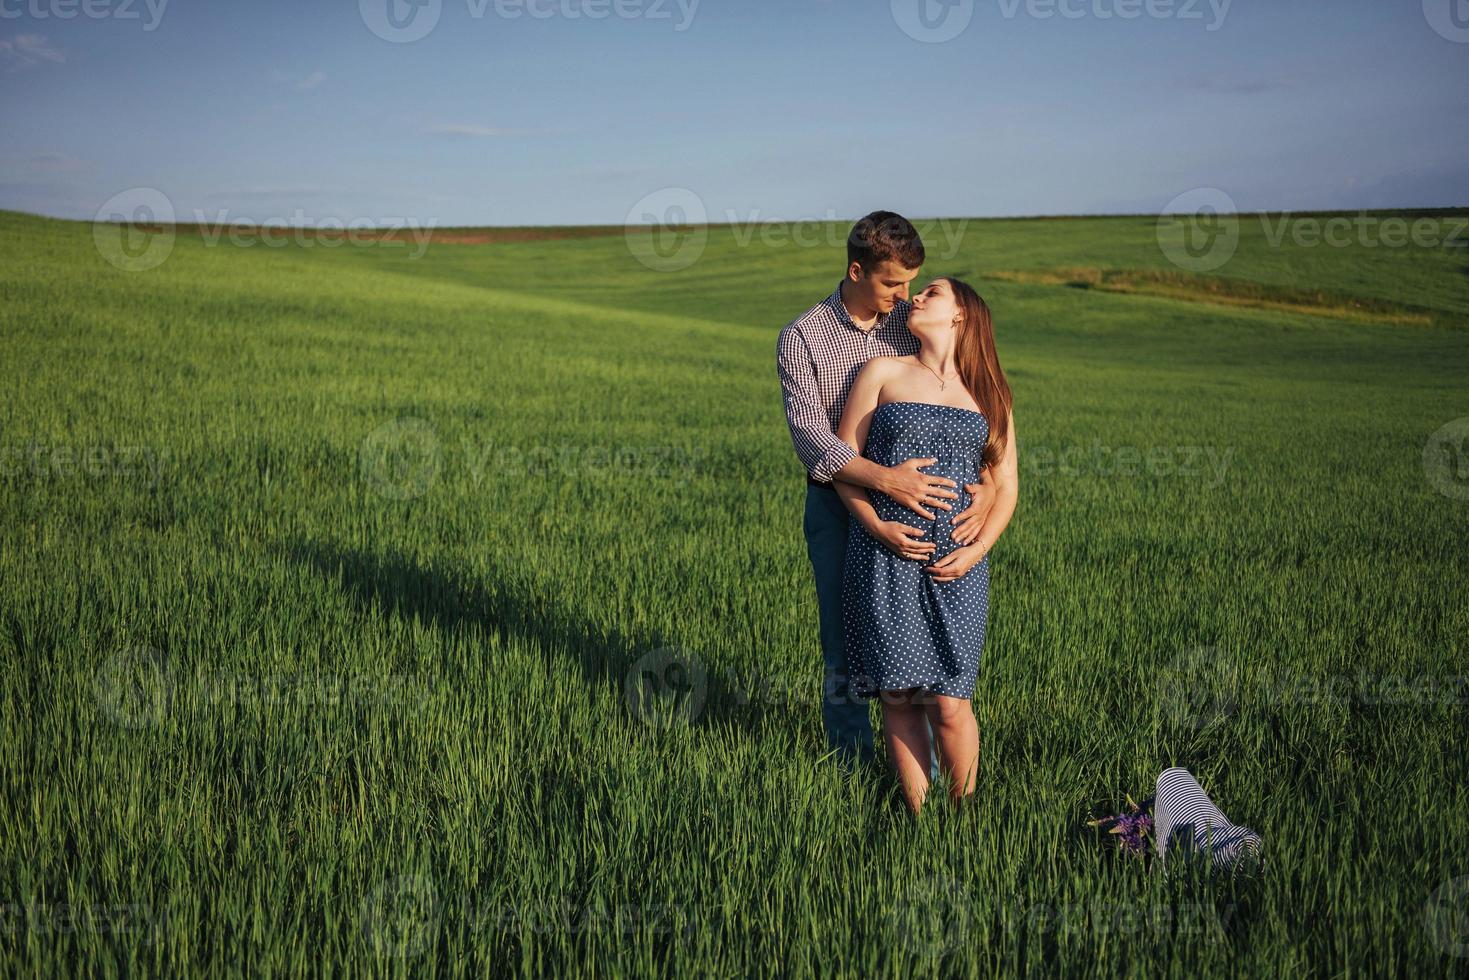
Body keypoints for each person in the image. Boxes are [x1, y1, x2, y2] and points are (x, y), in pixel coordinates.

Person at [776, 212, 999, 775]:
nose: (904, 296)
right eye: (893, 283)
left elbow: (972, 405)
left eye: (911, 283)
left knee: (921, 651)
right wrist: (886, 482)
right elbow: (813, 440)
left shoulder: (910, 321)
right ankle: (855, 768)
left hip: (926, 513)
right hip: (837, 504)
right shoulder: (804, 337)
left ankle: (926, 766)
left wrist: (989, 490)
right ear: (857, 270)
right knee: (845, 646)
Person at [834, 276, 1018, 814]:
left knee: (951, 699)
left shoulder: (990, 391)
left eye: (932, 292)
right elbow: (843, 466)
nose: (916, 297)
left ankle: (962, 821)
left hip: (958, 566)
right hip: (884, 558)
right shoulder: (883, 372)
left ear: (962, 315)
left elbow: (1005, 487)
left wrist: (978, 549)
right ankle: (919, 821)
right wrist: (879, 528)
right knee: (898, 695)